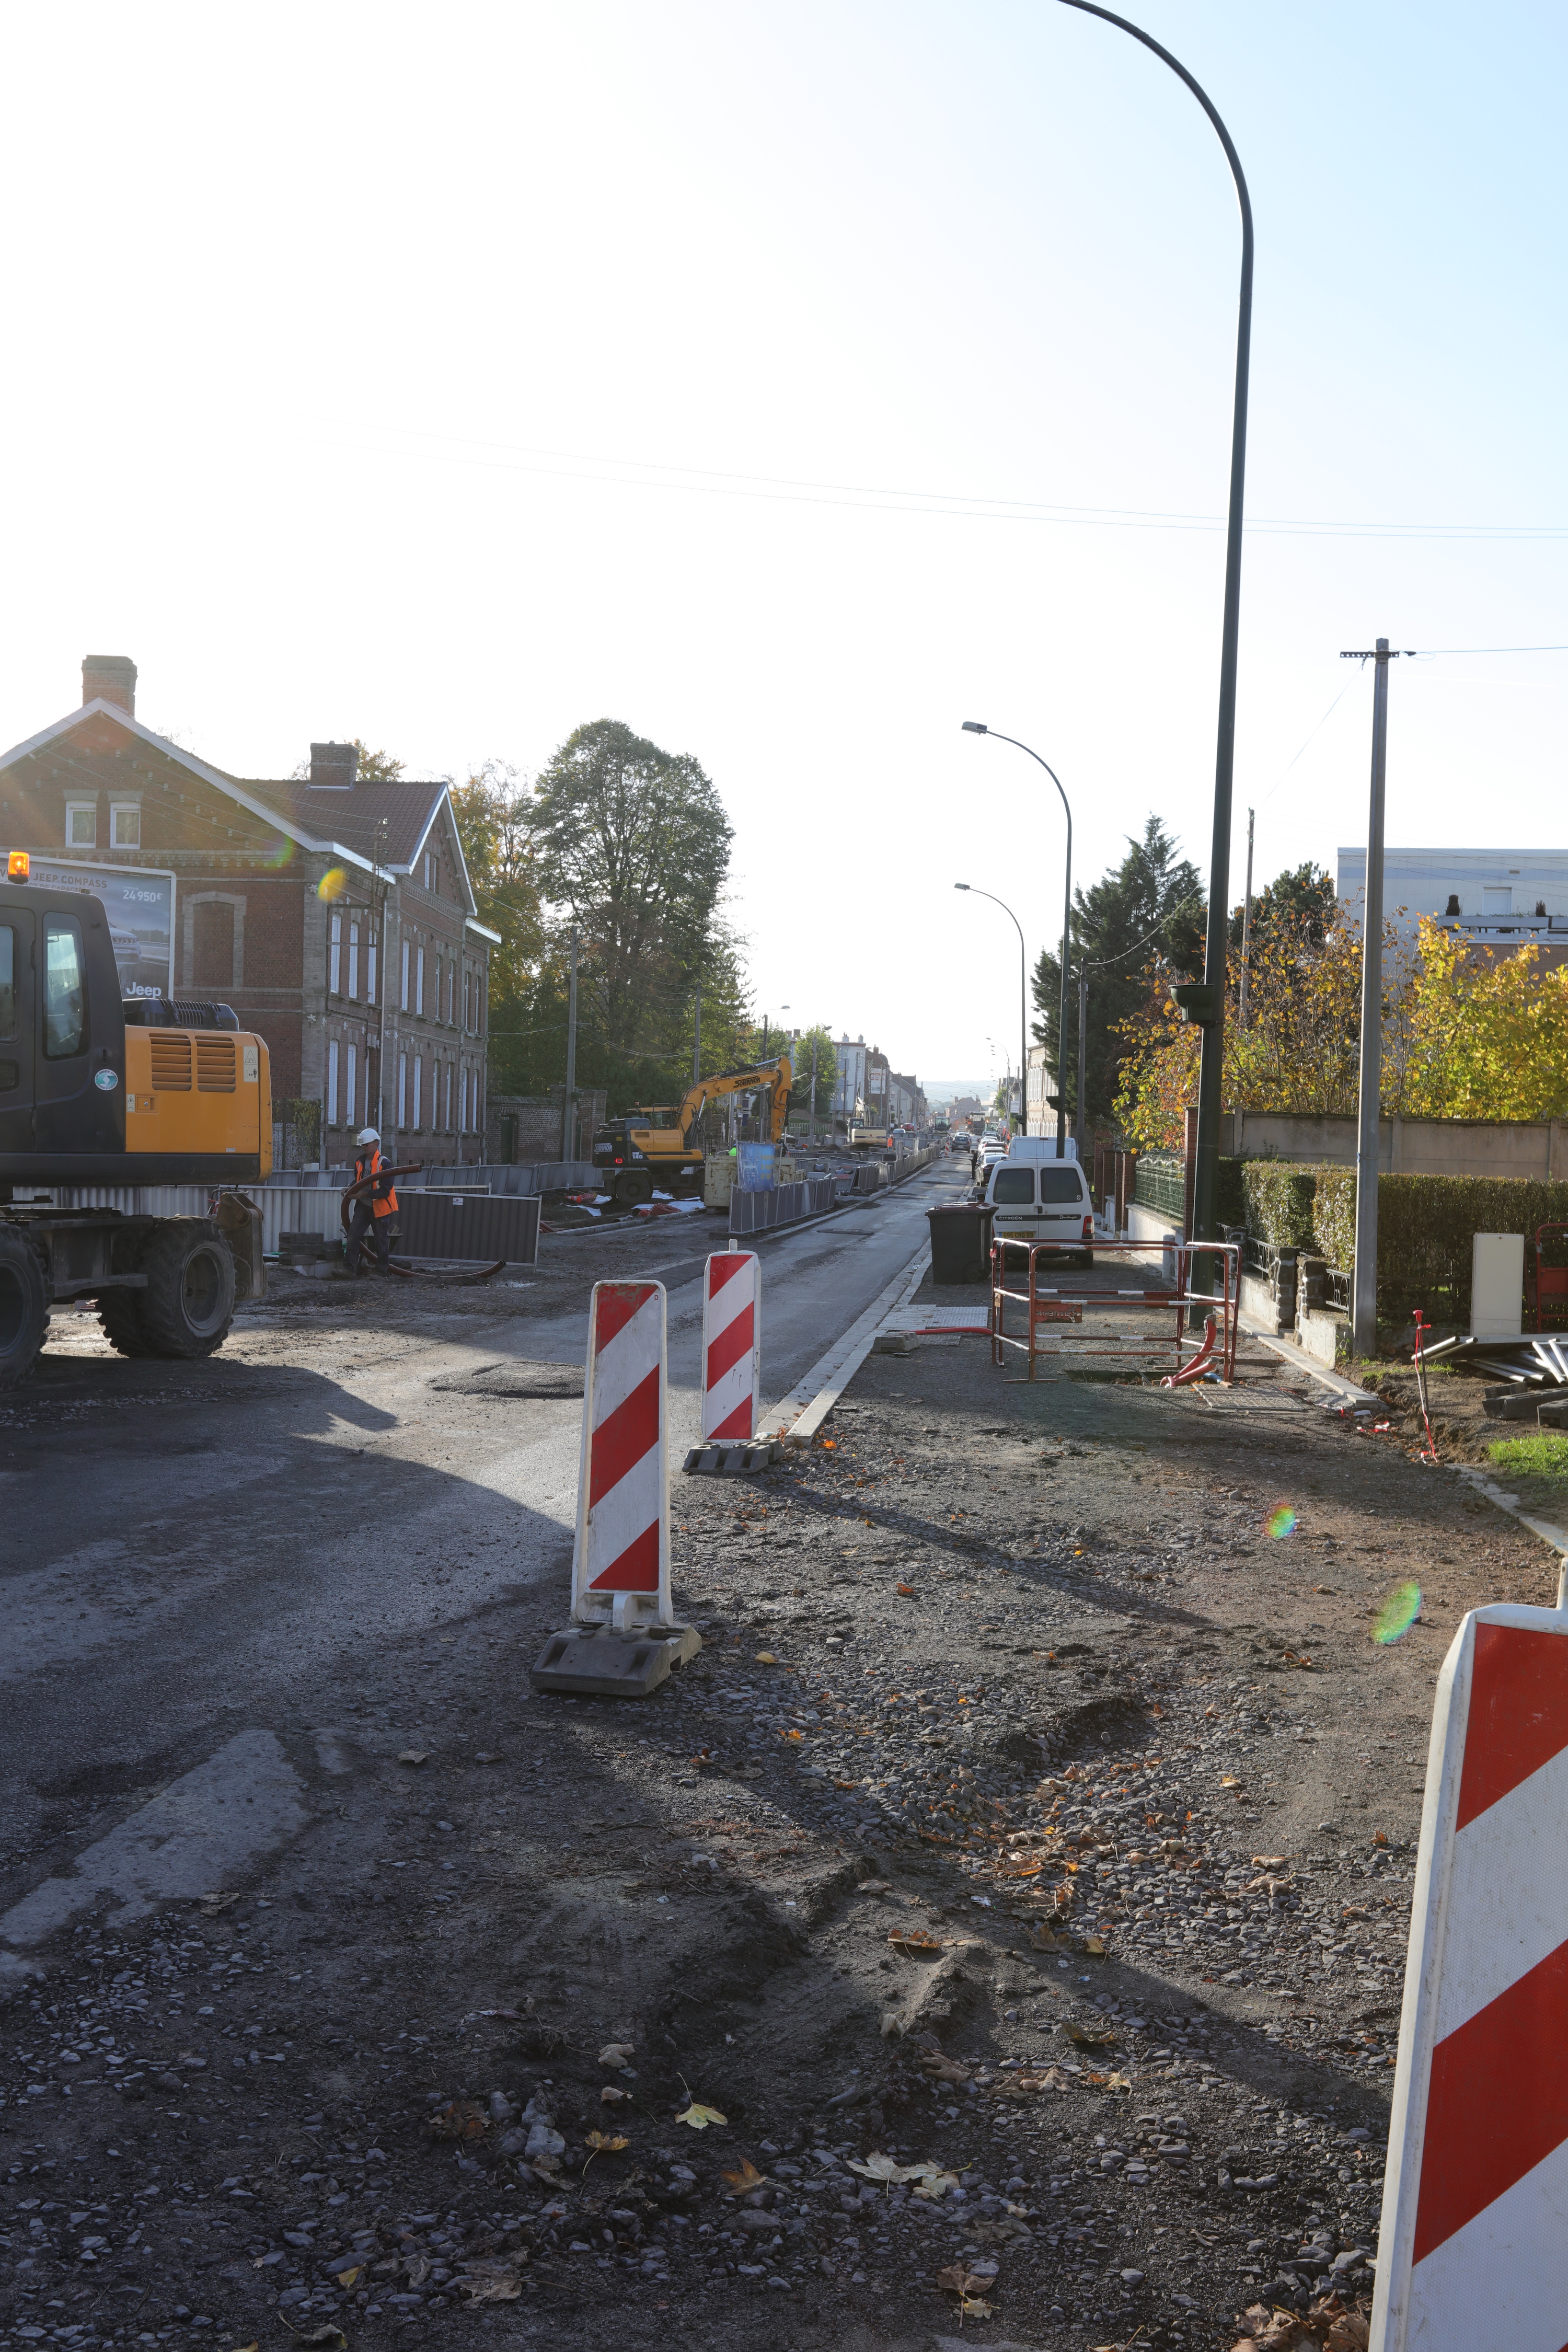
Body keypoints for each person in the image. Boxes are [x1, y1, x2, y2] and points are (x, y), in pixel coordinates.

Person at [348, 1127, 398, 1275]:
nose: (364, 1148)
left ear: (376, 1144)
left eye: (367, 1145)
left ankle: (382, 1273)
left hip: (380, 1208)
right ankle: (349, 1269)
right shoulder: (360, 1162)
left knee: (381, 1241)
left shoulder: (385, 1164)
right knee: (353, 1235)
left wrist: (363, 1194)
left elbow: (384, 1191)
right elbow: (358, 1181)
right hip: (364, 1207)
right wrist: (349, 1188)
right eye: (363, 1145)